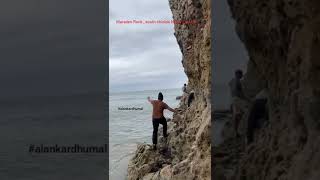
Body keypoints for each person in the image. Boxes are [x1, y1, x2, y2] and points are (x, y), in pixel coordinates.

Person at [228, 69, 249, 137]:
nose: (242, 76)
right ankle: (244, 129)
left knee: (237, 116)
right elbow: (240, 93)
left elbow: (230, 85)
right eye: (241, 74)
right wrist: (247, 99)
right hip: (238, 99)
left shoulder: (232, 81)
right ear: (238, 74)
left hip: (233, 99)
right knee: (247, 111)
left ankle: (236, 132)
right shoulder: (238, 82)